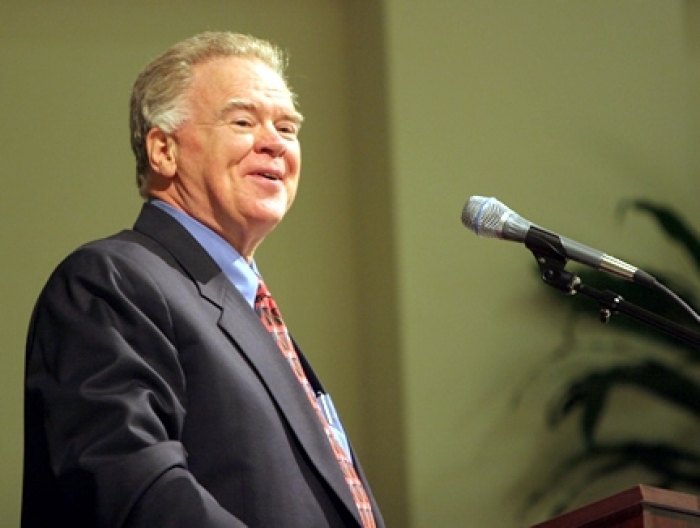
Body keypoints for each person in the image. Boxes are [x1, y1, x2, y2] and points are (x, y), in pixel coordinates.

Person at [22, 31, 383, 528]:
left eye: (287, 127)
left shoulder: (248, 306)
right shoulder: (110, 282)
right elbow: (134, 490)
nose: (275, 142)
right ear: (164, 151)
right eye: (243, 121)